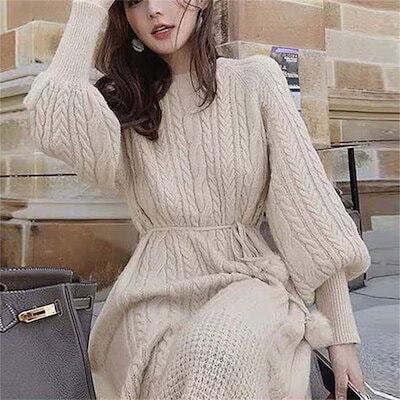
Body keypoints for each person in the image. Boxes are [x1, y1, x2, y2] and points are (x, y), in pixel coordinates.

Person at [22, 0, 371, 399]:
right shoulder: (125, 101)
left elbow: (308, 208)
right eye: (135, 1)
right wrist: (88, 9)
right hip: (153, 289)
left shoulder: (255, 80)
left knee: (214, 351)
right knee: (159, 366)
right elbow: (52, 124)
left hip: (248, 277)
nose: (154, 10)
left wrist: (341, 336)